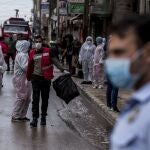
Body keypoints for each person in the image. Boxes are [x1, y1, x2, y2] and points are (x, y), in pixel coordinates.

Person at [105, 15, 150, 150]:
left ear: (147, 53)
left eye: (119, 52)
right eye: (110, 53)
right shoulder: (137, 104)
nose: (112, 61)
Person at [27, 35, 64, 127]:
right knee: (35, 99)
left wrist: (62, 69)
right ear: (34, 43)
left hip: (45, 79)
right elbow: (30, 66)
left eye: (39, 41)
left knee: (45, 99)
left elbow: (56, 62)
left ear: (42, 42)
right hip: (35, 78)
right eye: (36, 41)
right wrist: (28, 77)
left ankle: (43, 117)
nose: (38, 43)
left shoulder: (48, 51)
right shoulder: (31, 52)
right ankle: (35, 118)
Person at [12, 40, 31, 122]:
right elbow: (25, 67)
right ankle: (15, 115)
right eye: (27, 46)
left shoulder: (23, 54)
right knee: (21, 97)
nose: (29, 47)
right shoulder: (22, 55)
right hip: (21, 78)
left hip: (25, 78)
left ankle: (22, 115)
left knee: (27, 98)